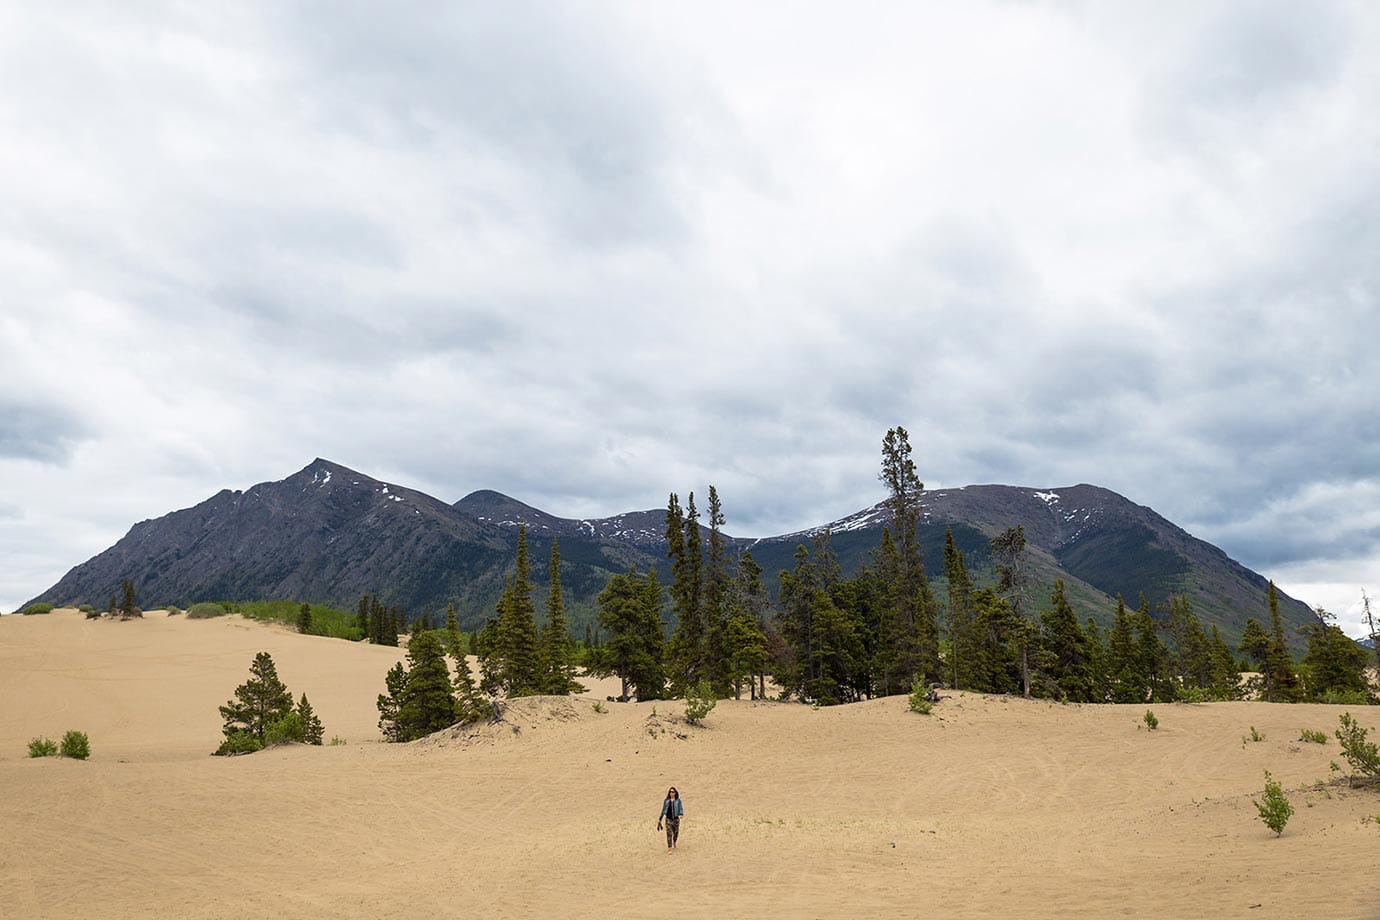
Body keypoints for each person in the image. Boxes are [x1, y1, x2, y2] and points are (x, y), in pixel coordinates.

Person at [656, 786, 683, 851]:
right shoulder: (666, 801)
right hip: (668, 819)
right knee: (669, 833)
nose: (671, 793)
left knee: (676, 833)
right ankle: (669, 847)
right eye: (670, 792)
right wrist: (660, 818)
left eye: (673, 792)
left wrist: (681, 814)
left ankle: (674, 841)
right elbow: (663, 809)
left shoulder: (678, 801)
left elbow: (680, 808)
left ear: (675, 793)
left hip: (676, 819)